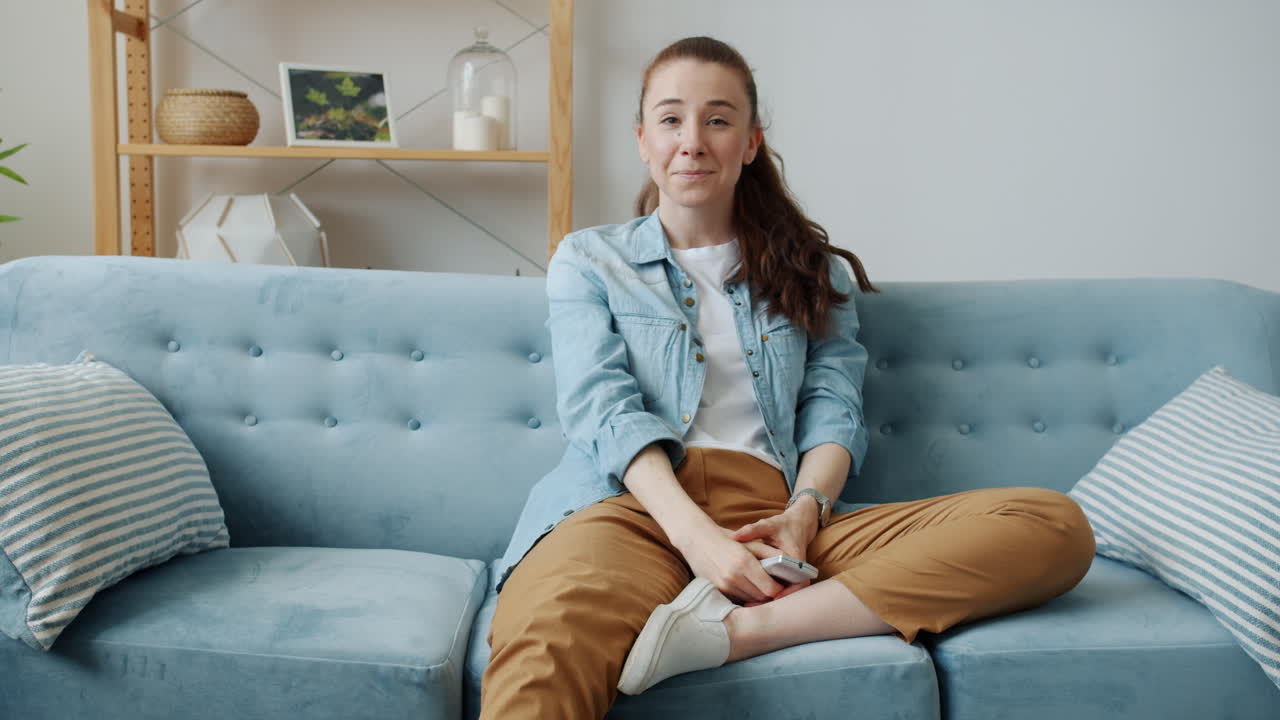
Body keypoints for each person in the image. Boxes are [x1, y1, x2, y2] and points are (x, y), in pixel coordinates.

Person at [480, 35, 1095, 719]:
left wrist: (804, 516)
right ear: (642, 139)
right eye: (671, 119)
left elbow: (834, 409)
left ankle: (728, 634)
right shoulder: (589, 260)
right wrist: (698, 540)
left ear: (750, 142)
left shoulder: (811, 270)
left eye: (717, 119)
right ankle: (703, 601)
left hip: (781, 519)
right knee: (546, 643)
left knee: (1052, 524)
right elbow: (603, 409)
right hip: (634, 512)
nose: (692, 141)